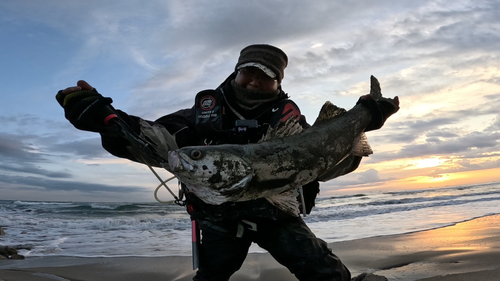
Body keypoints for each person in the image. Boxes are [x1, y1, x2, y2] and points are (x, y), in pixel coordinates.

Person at [56, 44, 399, 281]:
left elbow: (325, 163)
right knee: (212, 276)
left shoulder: (294, 124)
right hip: (219, 218)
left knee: (326, 273)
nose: (253, 80)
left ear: (278, 82)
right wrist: (110, 120)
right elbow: (159, 138)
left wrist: (362, 119)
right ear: (235, 73)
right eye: (247, 72)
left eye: (264, 75)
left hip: (277, 216)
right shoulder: (197, 115)